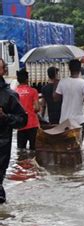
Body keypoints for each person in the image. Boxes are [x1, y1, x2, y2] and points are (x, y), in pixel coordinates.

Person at [0, 58, 27, 204]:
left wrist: (5, 116)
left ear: (4, 71)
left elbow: (22, 121)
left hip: (1, 148)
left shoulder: (10, 95)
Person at [54, 59, 84, 141]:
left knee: (65, 147)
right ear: (80, 69)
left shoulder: (62, 82)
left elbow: (56, 98)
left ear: (69, 69)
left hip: (64, 122)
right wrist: (83, 98)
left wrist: (55, 83)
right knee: (78, 147)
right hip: (79, 121)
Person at [15, 69, 40, 150]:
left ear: (18, 80)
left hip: (20, 125)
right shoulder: (33, 91)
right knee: (34, 150)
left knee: (21, 151)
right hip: (32, 125)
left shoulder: (14, 92)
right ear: (27, 79)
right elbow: (37, 108)